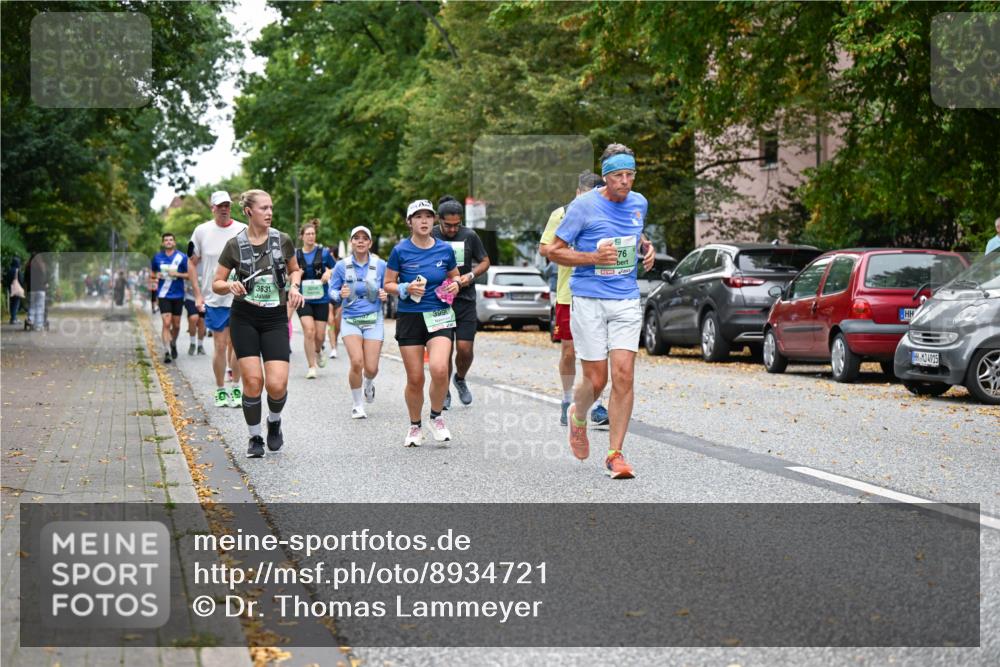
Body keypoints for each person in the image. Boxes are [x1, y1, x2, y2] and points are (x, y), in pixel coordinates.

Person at [546, 144, 656, 479]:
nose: (625, 182)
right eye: (619, 176)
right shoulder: (582, 206)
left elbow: (632, 233)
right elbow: (554, 251)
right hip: (589, 299)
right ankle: (579, 416)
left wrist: (645, 248)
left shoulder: (639, 202)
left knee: (624, 375)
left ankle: (615, 454)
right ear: (606, 177)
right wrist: (593, 257)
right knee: (596, 380)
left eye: (631, 175)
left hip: (624, 298)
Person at [213, 189, 303, 459]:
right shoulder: (234, 245)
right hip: (245, 317)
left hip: (274, 317)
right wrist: (230, 284)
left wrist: (295, 286)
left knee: (277, 384)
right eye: (263, 208)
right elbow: (216, 283)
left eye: (271, 207)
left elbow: (294, 269)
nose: (269, 212)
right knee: (253, 381)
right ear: (249, 211)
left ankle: (273, 421)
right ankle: (255, 437)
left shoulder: (282, 240)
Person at [384, 199, 461, 446]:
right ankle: (414, 426)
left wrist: (454, 286)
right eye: (418, 217)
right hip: (410, 317)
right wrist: (405, 287)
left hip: (439, 315)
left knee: (440, 369)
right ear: (410, 222)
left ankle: (436, 417)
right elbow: (387, 284)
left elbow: (455, 277)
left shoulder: (445, 250)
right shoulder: (400, 251)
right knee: (415, 378)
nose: (424, 221)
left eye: (428, 216)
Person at [539, 171, 611, 427]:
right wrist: (573, 251)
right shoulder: (561, 214)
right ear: (579, 192)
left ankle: (598, 404)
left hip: (598, 292)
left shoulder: (607, 213)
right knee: (569, 351)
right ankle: (567, 397)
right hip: (568, 294)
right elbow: (544, 249)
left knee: (598, 352)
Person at [431, 195, 490, 409]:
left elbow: (485, 261)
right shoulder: (431, 235)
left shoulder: (469, 235)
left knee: (465, 349)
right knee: (443, 349)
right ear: (439, 220)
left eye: (457, 225)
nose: (453, 229)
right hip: (438, 301)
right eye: (448, 225)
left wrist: (470, 277)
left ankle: (460, 379)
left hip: (464, 300)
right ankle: (443, 387)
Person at [190, 191, 247, 408]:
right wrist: (197, 294)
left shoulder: (242, 229)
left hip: (240, 296)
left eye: (227, 205)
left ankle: (235, 387)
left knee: (238, 345)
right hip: (214, 298)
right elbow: (191, 263)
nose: (224, 209)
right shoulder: (201, 231)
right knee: (220, 345)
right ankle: (220, 389)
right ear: (212, 208)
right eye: (220, 206)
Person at [329, 225, 388, 419]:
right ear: (351, 242)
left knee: (371, 368)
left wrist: (385, 293)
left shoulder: (380, 265)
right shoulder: (341, 266)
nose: (360, 241)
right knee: (356, 361)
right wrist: (339, 294)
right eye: (356, 238)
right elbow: (331, 291)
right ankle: (357, 404)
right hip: (350, 319)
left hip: (373, 319)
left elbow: (389, 285)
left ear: (370, 243)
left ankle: (368, 383)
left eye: (364, 238)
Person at [295, 221, 336, 378]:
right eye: (308, 234)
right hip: (303, 299)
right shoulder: (296, 255)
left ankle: (318, 350)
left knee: (319, 336)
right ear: (302, 237)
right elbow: (288, 273)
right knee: (309, 331)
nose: (311, 236)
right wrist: (295, 274)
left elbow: (336, 267)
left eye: (313, 234)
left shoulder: (324, 253)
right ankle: (311, 366)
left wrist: (329, 273)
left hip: (321, 299)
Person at [150, 233, 188, 363]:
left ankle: (173, 343)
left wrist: (177, 274)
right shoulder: (157, 257)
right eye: (166, 240)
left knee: (176, 325)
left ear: (174, 242)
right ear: (163, 243)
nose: (168, 242)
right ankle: (166, 351)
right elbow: (152, 273)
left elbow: (190, 275)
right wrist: (156, 275)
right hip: (163, 294)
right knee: (166, 323)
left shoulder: (182, 257)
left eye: (171, 240)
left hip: (178, 295)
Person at [184, 240, 207, 355]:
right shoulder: (187, 262)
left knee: (202, 321)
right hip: (190, 296)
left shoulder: (208, 262)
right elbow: (179, 274)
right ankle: (192, 343)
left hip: (205, 298)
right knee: (193, 318)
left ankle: (200, 345)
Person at [326, 242, 343, 360]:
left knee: (338, 324)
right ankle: (333, 348)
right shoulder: (324, 265)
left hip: (340, 296)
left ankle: (335, 339)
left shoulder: (341, 264)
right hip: (327, 297)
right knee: (330, 321)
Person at [5, 257, 25, 324]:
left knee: (12, 304)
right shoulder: (17, 270)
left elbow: (7, 281)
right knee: (16, 304)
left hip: (11, 289)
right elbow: (21, 280)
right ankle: (14, 318)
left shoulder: (9, 270)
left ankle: (13, 318)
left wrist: (9, 287)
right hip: (17, 290)